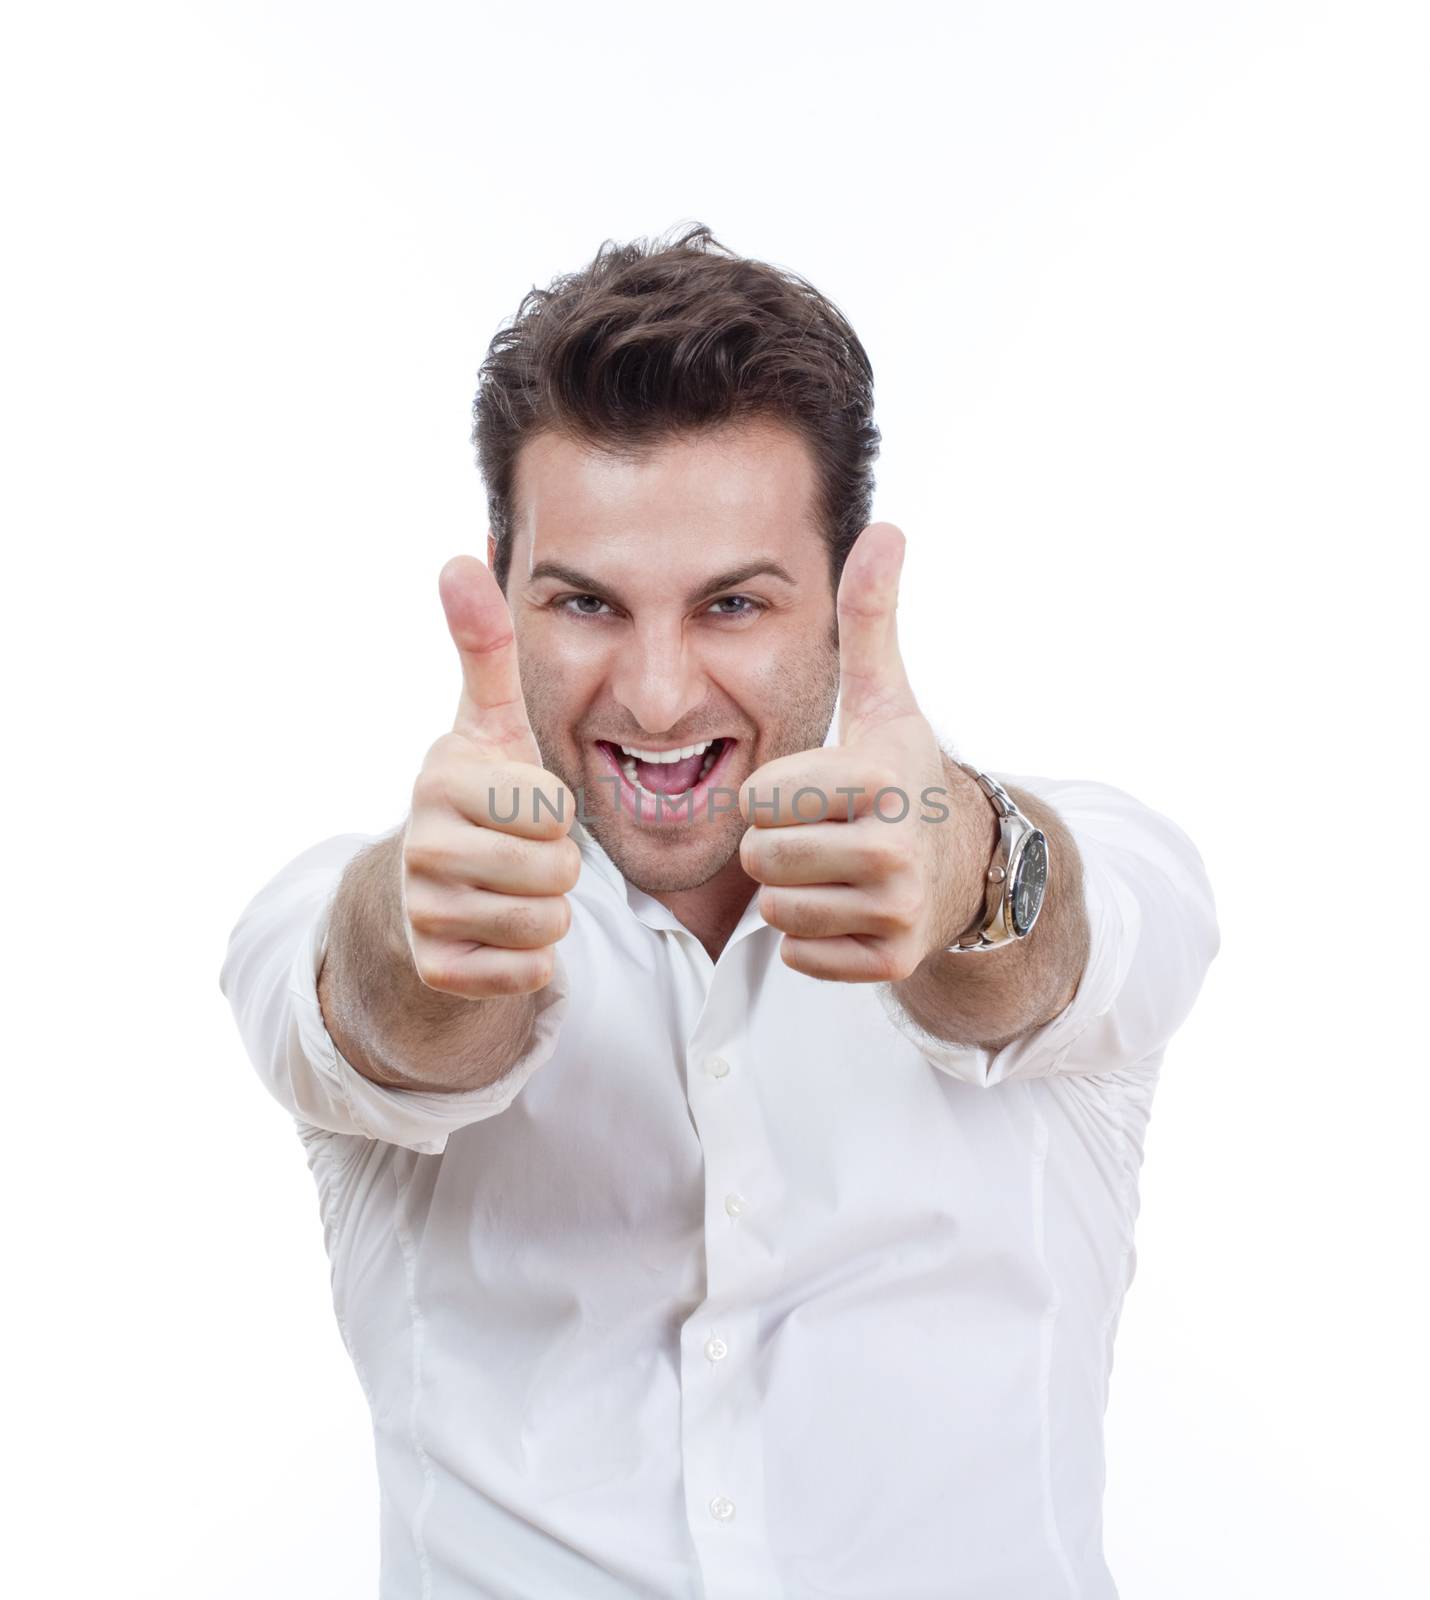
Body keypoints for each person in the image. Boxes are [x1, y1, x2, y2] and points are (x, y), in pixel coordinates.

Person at [220, 223, 1220, 1599]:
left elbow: (1035, 958)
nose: (655, 696)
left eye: (732, 604)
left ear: (840, 593)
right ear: (502, 588)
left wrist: (963, 876)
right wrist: (431, 937)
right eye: (583, 603)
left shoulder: (1095, 850)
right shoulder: (344, 905)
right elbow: (395, 1017)